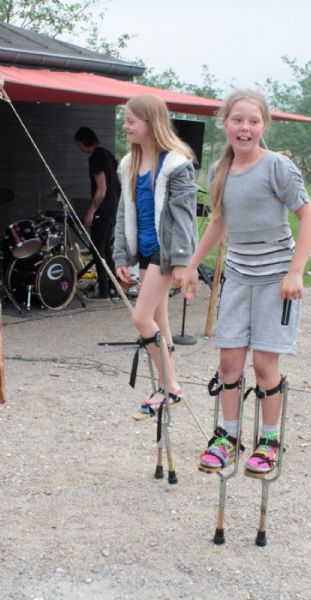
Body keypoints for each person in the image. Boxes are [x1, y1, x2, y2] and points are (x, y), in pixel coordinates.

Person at [181, 89, 311, 476]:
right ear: (224, 123)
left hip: (276, 279)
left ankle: (269, 441)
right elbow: (220, 221)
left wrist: (295, 271)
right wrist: (192, 265)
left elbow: (309, 217)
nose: (245, 127)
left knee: (264, 365)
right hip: (238, 278)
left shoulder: (277, 167)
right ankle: (228, 437)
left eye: (253, 121)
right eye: (238, 120)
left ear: (264, 126)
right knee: (229, 362)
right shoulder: (219, 171)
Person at [113, 94, 198, 418]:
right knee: (159, 321)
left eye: (131, 121)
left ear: (151, 123)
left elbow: (184, 217)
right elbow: (124, 214)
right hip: (145, 250)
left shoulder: (175, 164)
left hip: (166, 251)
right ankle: (167, 386)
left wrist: (181, 261)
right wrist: (121, 256)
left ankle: (171, 387)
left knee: (140, 317)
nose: (125, 126)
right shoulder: (129, 165)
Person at [74, 126, 120, 299]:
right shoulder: (108, 155)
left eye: (79, 145)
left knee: (98, 251)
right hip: (112, 209)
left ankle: (104, 290)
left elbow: (101, 189)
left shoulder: (96, 158)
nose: (80, 149)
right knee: (106, 250)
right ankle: (113, 287)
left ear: (85, 142)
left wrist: (91, 211)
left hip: (102, 210)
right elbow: (118, 184)